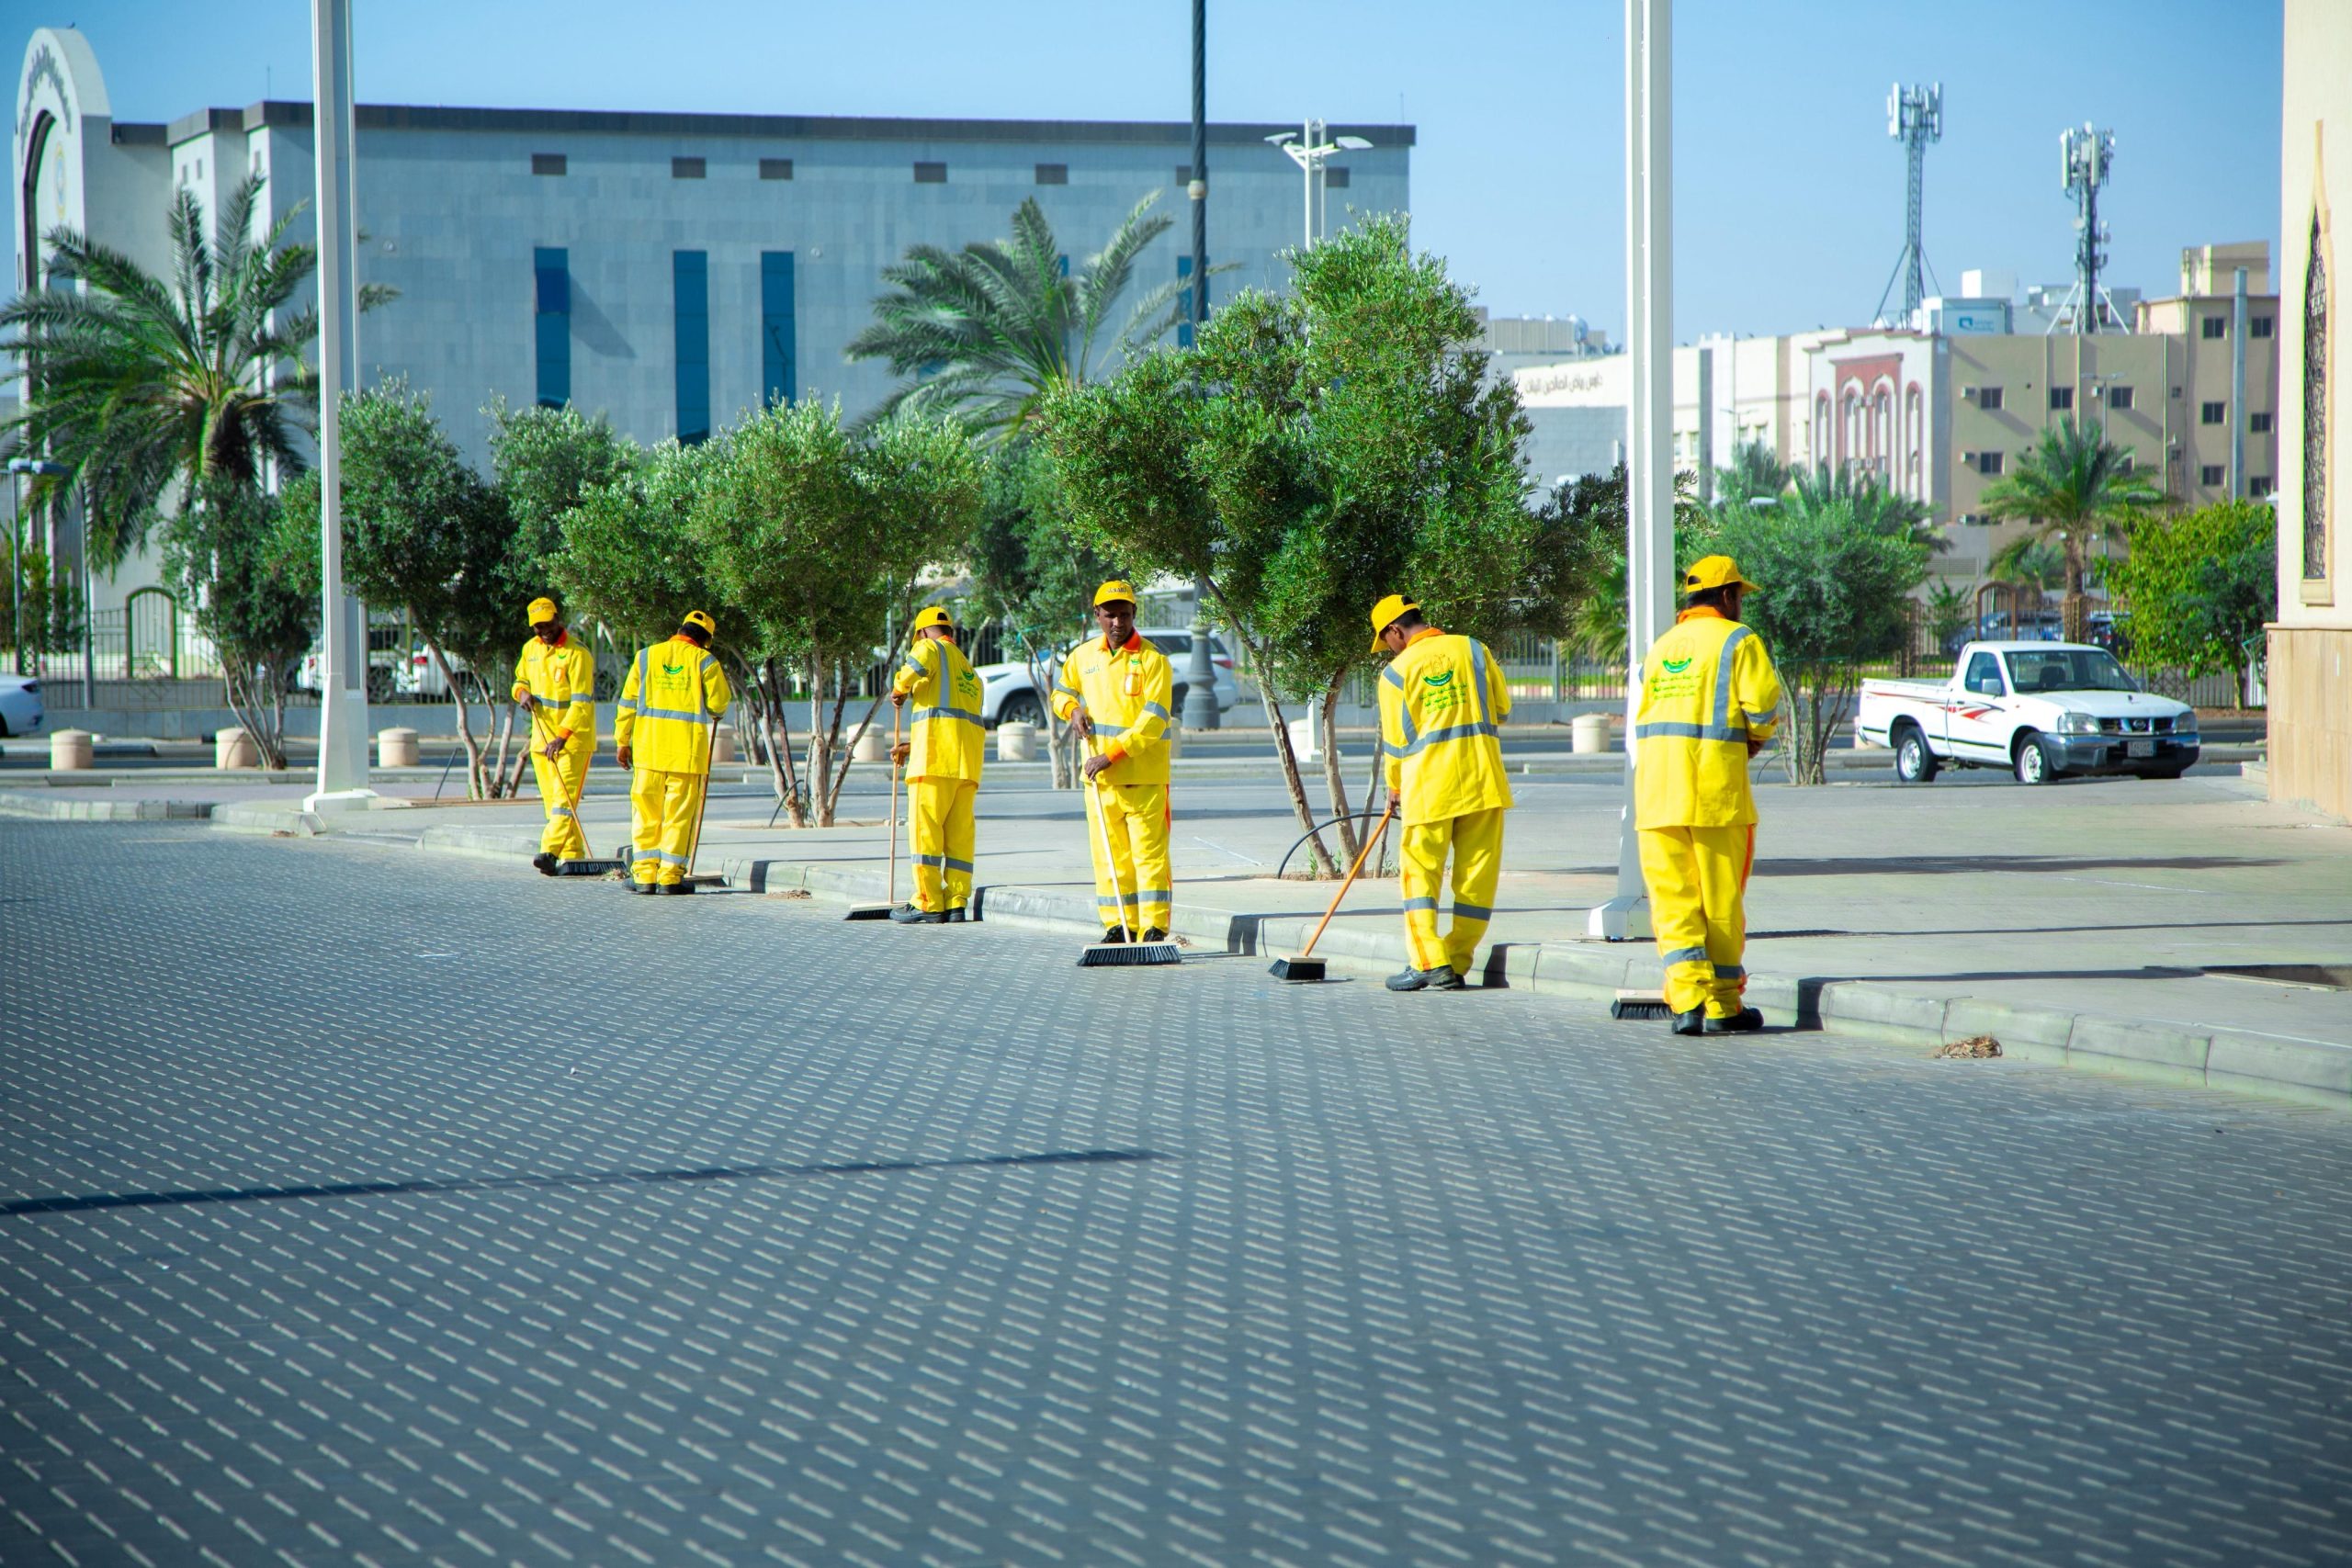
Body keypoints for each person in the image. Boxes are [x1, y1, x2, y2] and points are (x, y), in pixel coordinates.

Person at [1634, 555, 1784, 1035]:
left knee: (1673, 904)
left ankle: (1687, 1003)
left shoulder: (1661, 647)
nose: (1741, 604)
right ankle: (1722, 1006)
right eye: (1739, 595)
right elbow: (1762, 707)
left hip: (1656, 796)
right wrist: (1755, 739)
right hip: (1715, 794)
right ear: (1725, 596)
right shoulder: (1739, 640)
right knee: (1720, 904)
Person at [1371, 594, 1515, 991]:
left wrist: (1394, 786)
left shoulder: (1395, 674)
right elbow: (1502, 709)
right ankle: (1456, 959)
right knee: (1476, 880)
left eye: (1386, 641)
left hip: (1429, 789)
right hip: (1484, 781)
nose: (1389, 649)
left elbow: (1396, 744)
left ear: (1395, 631)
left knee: (1420, 877)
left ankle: (1429, 962)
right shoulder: (1474, 649)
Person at [1049, 581, 1175, 942]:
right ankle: (1119, 925)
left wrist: (1111, 755)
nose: (1117, 622)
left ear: (1134, 614)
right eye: (1110, 615)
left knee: (1149, 858)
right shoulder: (1083, 657)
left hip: (1144, 778)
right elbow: (1060, 693)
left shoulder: (1154, 660)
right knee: (1110, 859)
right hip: (1101, 783)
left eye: (1124, 614)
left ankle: (1153, 929)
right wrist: (1072, 710)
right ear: (1097, 616)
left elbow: (1153, 722)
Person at [614, 611, 731, 895]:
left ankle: (644, 875)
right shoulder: (705, 661)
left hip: (648, 752)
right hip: (686, 755)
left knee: (645, 813)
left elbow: (627, 702)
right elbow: (719, 705)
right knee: (679, 817)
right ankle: (669, 877)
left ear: (680, 630)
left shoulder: (645, 656)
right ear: (705, 640)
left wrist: (622, 740)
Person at [888, 605, 986, 923]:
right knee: (959, 837)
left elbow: (912, 668)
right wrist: (911, 746)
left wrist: (899, 689)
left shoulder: (929, 647)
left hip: (932, 766)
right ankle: (956, 902)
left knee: (925, 834)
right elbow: (951, 722)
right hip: (965, 768)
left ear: (921, 633)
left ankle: (928, 902)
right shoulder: (970, 673)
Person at [511, 596, 597, 874]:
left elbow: (581, 703)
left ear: (557, 618)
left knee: (563, 803)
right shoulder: (530, 649)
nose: (544, 630)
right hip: (541, 741)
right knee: (554, 806)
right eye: (538, 626)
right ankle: (573, 856)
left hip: (572, 742)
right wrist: (521, 693)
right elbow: (519, 680)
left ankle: (548, 851)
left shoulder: (577, 654)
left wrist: (562, 736)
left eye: (548, 623)